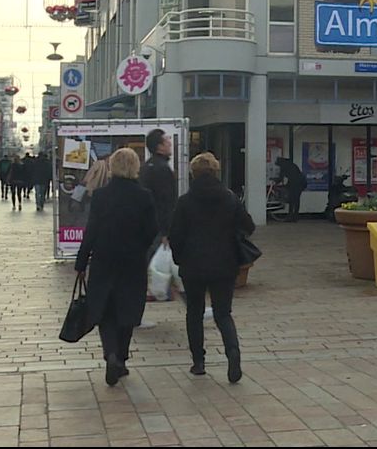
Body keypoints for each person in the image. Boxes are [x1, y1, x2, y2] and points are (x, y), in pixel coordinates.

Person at [75, 148, 159, 387]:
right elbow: (152, 229)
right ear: (135, 167)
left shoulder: (101, 195)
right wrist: (140, 246)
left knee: (105, 310)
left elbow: (91, 230)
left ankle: (110, 354)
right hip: (132, 261)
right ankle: (121, 357)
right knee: (128, 310)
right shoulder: (144, 196)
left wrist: (81, 261)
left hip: (104, 259)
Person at [170, 152, 254, 382]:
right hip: (224, 264)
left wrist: (179, 258)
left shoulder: (185, 201)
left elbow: (175, 235)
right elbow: (249, 225)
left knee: (194, 313)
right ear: (216, 172)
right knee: (223, 313)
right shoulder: (229, 198)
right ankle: (233, 353)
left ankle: (198, 362)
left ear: (193, 174)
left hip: (193, 264)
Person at [139, 129, 178, 248]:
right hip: (159, 230)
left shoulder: (145, 167)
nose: (170, 144)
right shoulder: (163, 169)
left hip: (145, 226)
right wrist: (166, 232)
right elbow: (166, 202)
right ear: (159, 147)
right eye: (167, 141)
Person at [274, 157, 306, 222]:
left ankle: (291, 216)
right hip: (300, 183)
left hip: (296, 184)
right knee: (296, 200)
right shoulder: (291, 164)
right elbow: (294, 176)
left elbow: (281, 178)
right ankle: (294, 216)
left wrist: (274, 181)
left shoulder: (284, 167)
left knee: (293, 200)